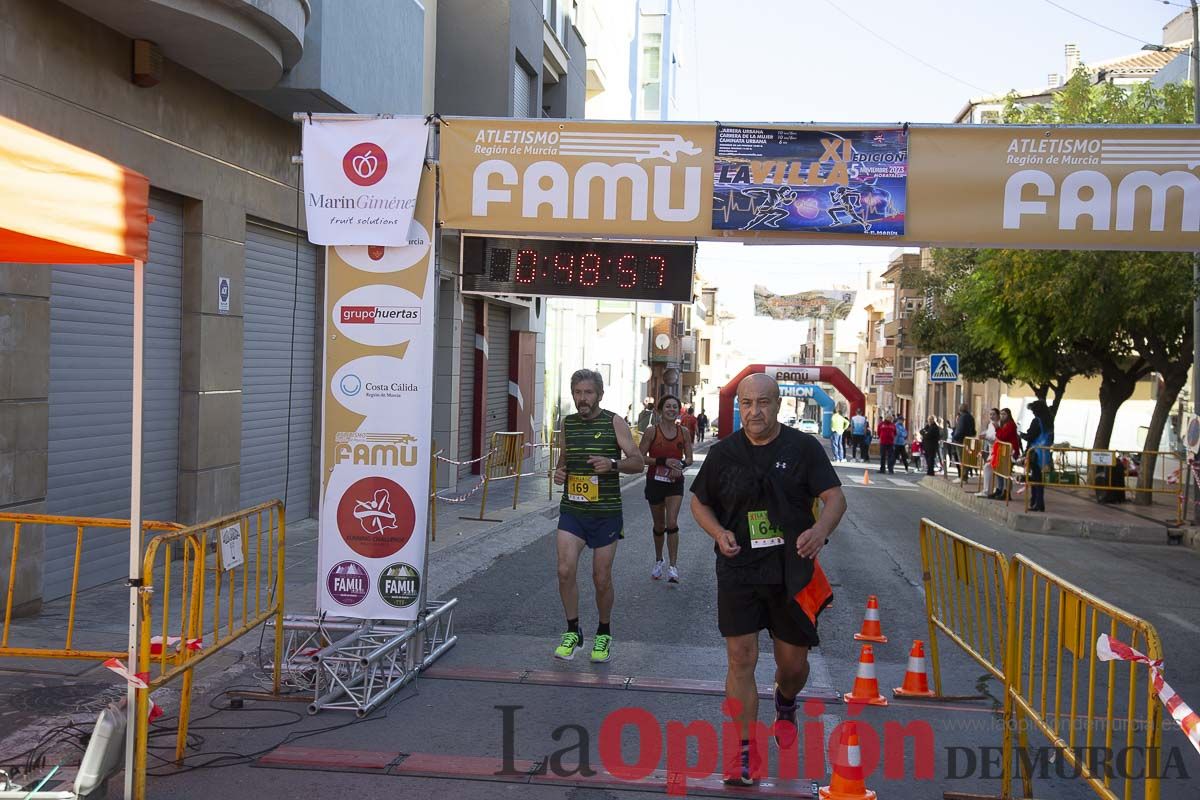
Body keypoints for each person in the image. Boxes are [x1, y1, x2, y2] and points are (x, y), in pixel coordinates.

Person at [690, 374, 846, 786]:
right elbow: (698, 501)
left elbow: (835, 498)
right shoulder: (724, 453)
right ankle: (743, 753)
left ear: (778, 405)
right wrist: (718, 533)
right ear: (738, 405)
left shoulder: (802, 448)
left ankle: (786, 699)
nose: (754, 412)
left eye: (763, 403)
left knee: (792, 665)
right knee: (740, 658)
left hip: (791, 569)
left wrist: (819, 531)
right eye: (746, 403)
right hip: (739, 567)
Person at [552, 369, 644, 662]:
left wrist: (613, 464)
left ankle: (603, 633)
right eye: (578, 392)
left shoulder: (614, 422)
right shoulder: (567, 424)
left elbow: (638, 462)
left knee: (600, 577)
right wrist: (559, 472)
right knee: (565, 570)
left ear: (599, 395)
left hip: (605, 513)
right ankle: (573, 631)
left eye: (588, 393)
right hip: (574, 510)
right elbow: (562, 461)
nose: (582, 398)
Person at [640, 395, 693, 583]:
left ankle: (673, 566)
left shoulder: (683, 432)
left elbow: (689, 458)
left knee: (671, 522)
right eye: (668, 406)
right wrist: (663, 461)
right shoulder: (651, 432)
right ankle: (658, 560)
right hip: (655, 482)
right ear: (660, 410)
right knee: (659, 525)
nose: (671, 409)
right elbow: (640, 458)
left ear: (678, 410)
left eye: (674, 406)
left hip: (674, 483)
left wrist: (679, 466)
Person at [1021, 400, 1053, 512]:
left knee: (1035, 479)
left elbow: (1030, 436)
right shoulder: (1049, 420)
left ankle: (1036, 503)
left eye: (1033, 410)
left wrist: (1021, 435)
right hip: (1045, 453)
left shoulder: (1037, 421)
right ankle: (1039, 503)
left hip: (1035, 452)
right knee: (1040, 479)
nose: (1033, 413)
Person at [991, 408, 1021, 499]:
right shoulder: (1003, 424)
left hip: (1010, 452)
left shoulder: (1011, 425)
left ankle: (1006, 492)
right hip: (1003, 451)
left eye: (1004, 414)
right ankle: (999, 489)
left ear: (1008, 415)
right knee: (1000, 471)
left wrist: (997, 429)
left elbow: (1003, 437)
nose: (1002, 416)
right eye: (1001, 414)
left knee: (1006, 473)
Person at [975, 408, 1000, 498]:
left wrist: (985, 437)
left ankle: (987, 491)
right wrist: (984, 434)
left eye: (993, 414)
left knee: (987, 467)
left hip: (997, 449)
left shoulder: (998, 424)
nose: (992, 416)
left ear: (998, 415)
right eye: (990, 414)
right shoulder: (990, 424)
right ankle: (990, 490)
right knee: (990, 469)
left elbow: (995, 437)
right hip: (991, 449)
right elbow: (989, 433)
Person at [951, 403, 977, 480]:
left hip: (961, 440)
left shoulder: (963, 417)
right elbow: (973, 430)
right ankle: (964, 476)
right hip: (968, 440)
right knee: (965, 459)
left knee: (962, 459)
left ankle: (963, 477)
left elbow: (960, 430)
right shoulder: (971, 417)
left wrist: (955, 437)